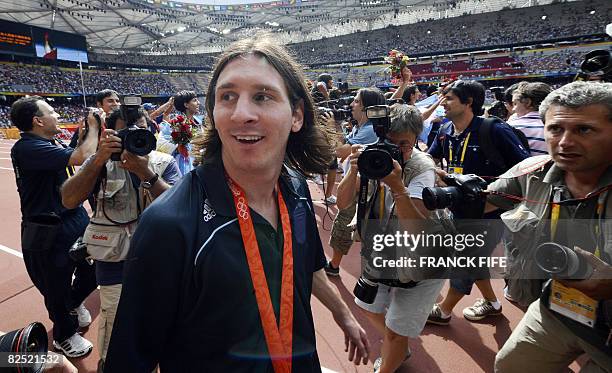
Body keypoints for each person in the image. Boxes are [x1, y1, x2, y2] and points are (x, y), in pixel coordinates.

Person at [103, 35, 369, 372]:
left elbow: (308, 263)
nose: (242, 113)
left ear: (297, 115)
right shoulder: (169, 224)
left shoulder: (297, 188)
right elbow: (129, 360)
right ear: (214, 113)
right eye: (227, 96)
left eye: (262, 96)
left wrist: (342, 313)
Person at [490, 81, 612, 372]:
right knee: (511, 366)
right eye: (556, 129)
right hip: (559, 307)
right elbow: (480, 200)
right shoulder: (533, 172)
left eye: (584, 129)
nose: (565, 142)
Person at [61, 106, 180, 372]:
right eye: (126, 132)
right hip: (116, 265)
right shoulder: (100, 162)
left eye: (140, 129)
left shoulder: (162, 161)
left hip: (162, 264)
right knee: (117, 338)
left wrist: (146, 174)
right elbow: (69, 199)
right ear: (111, 134)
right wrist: (99, 158)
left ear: (149, 128)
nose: (133, 137)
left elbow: (180, 208)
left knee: (166, 332)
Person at [336, 104, 445, 373]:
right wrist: (353, 171)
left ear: (416, 140)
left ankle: (394, 350)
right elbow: (342, 202)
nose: (395, 151)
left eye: (404, 144)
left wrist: (397, 186)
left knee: (397, 328)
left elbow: (417, 229)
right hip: (385, 251)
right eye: (389, 143)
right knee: (365, 304)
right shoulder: (372, 156)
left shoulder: (421, 168)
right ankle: (398, 344)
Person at [426, 80, 530, 325]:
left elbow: (525, 169)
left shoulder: (492, 129)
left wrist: (495, 201)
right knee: (473, 256)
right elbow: (430, 156)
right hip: (458, 206)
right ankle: (492, 303)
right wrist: (439, 174)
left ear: (469, 102)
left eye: (448, 98)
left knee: (465, 257)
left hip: (490, 210)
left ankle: (444, 310)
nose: (442, 103)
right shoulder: (445, 130)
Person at [10, 96, 101, 357]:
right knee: (56, 285)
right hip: (48, 229)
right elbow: (81, 157)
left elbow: (76, 154)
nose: (58, 115)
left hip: (74, 218)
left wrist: (84, 134)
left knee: (93, 272)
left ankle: (71, 305)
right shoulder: (26, 147)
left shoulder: (49, 142)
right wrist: (94, 129)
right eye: (52, 112)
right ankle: (64, 334)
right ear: (38, 121)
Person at [325, 87, 385, 276]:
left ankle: (339, 266)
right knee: (347, 223)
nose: (351, 104)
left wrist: (332, 127)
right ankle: (336, 265)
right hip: (357, 181)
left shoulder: (370, 129)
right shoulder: (362, 126)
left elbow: (340, 151)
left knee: (352, 224)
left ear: (369, 107)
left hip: (364, 184)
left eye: (357, 101)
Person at [507, 81, 552, 156]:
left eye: (515, 104)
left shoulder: (511, 127)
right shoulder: (559, 126)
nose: (513, 109)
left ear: (528, 102)